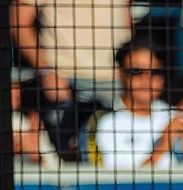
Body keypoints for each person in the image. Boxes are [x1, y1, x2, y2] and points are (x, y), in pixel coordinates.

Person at [11, 0, 130, 158]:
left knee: (118, 154)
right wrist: (46, 70)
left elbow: (125, 20)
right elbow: (19, 21)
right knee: (65, 158)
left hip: (115, 81)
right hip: (66, 82)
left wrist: (130, 72)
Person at [86, 37, 183, 169]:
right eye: (137, 71)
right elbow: (119, 180)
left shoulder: (176, 116)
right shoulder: (105, 123)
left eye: (155, 72)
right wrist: (164, 144)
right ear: (120, 73)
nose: (147, 79)